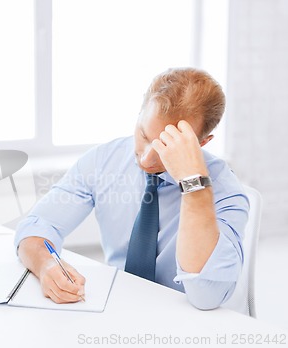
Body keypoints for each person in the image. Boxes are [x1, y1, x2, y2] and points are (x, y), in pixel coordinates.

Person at [14, 67, 249, 310]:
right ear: (140, 113)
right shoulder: (103, 160)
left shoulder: (224, 190)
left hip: (187, 321)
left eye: (166, 145)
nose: (147, 160)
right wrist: (45, 265)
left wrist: (193, 184)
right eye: (145, 135)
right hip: (118, 307)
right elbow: (37, 226)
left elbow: (207, 297)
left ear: (201, 142)